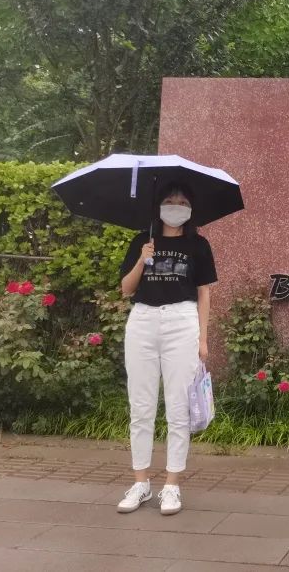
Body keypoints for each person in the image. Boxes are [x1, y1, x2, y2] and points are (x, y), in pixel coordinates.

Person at [115, 183, 216, 516]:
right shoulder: (142, 241)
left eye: (182, 201)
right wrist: (142, 260)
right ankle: (141, 483)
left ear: (191, 208)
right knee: (141, 405)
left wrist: (203, 339)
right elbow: (126, 289)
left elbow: (204, 293)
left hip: (182, 321)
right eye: (170, 200)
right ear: (158, 207)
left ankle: (171, 485)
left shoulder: (198, 245)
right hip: (143, 320)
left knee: (178, 407)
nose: (176, 206)